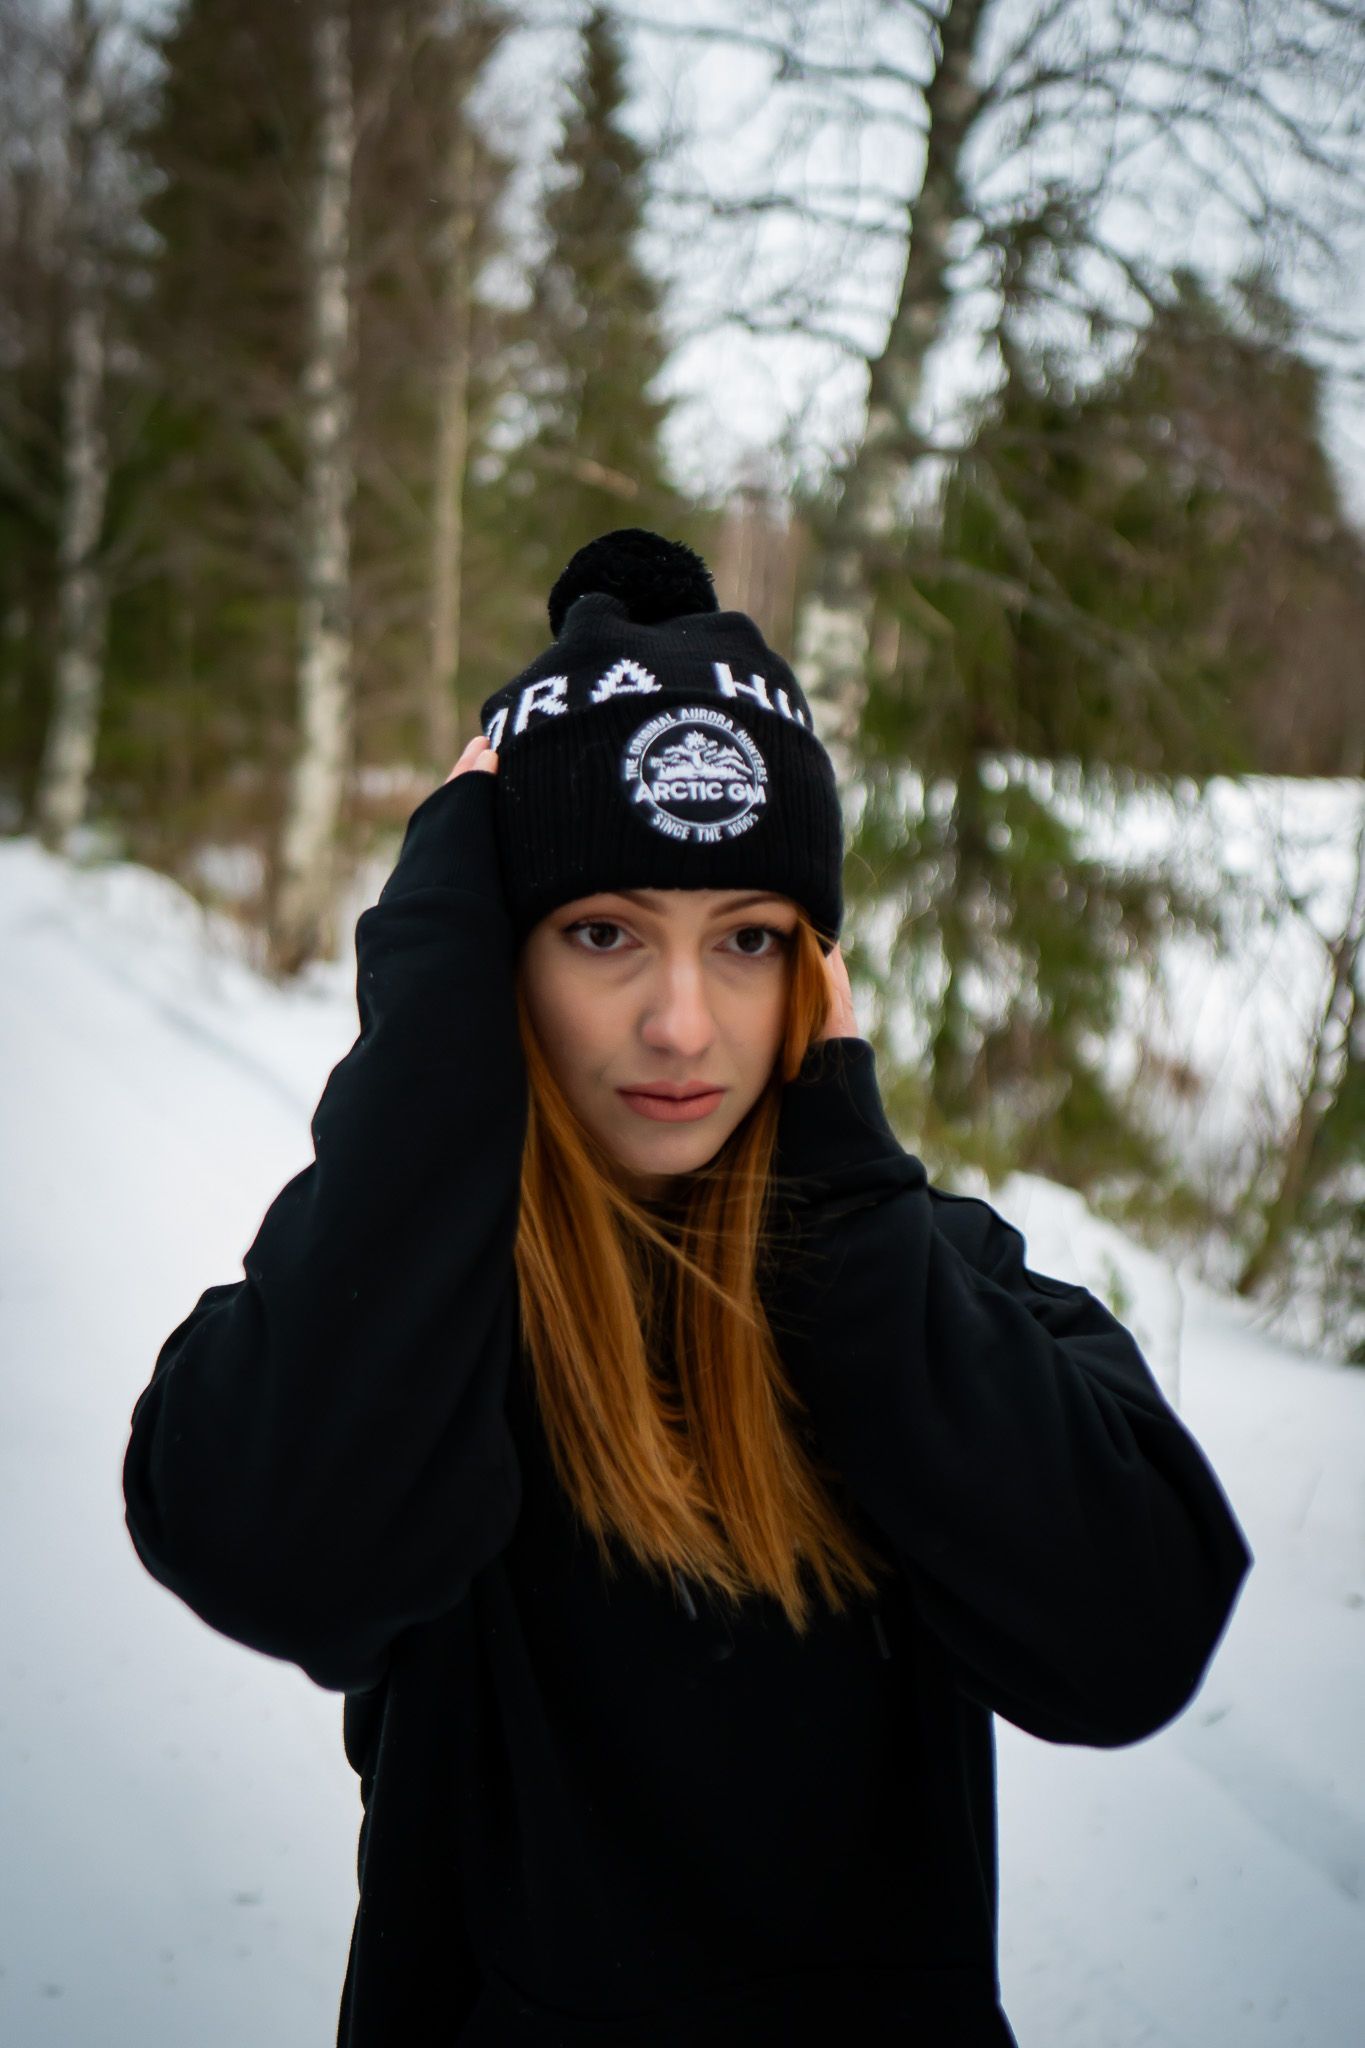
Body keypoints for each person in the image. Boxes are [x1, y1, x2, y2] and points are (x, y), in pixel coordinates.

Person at [122, 529, 1254, 2047]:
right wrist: (431, 1039)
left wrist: (841, 1219)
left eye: (745, 941)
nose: (677, 1022)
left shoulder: (925, 1284)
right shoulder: (424, 1304)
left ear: (817, 977)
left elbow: (1131, 1644)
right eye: (602, 933)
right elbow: (279, 1550)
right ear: (496, 963)